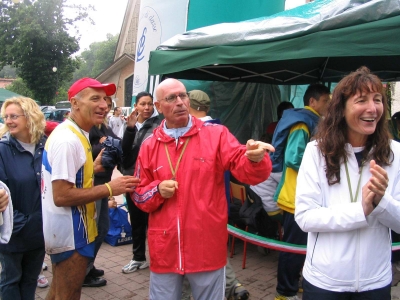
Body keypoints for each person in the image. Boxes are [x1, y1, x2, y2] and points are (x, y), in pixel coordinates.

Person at [132, 78, 274, 300]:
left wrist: (255, 159)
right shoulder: (150, 145)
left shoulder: (216, 135)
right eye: (171, 98)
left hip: (206, 245)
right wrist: (157, 190)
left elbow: (244, 167)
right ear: (159, 107)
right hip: (165, 247)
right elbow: (139, 195)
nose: (180, 102)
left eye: (183, 95)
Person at [295, 66, 400, 299]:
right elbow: (305, 216)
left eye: (377, 100)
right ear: (341, 109)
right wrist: (359, 210)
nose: (372, 108)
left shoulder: (395, 154)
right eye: (361, 100)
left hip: (376, 282)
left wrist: (382, 202)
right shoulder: (317, 152)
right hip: (325, 281)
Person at [41, 77, 140, 299]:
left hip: (68, 231)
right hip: (71, 234)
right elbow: (62, 195)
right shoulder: (68, 139)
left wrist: (90, 170)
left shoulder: (77, 132)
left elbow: (66, 179)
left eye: (105, 99)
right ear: (74, 103)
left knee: (58, 292)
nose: (104, 105)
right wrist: (109, 188)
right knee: (69, 294)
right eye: (94, 98)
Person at [187, 89, 249, 300]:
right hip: (218, 201)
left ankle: (226, 286)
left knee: (199, 253)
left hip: (197, 202)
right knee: (213, 247)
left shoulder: (200, 133)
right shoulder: (222, 130)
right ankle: (232, 285)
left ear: (189, 106)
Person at [273, 83, 331, 300]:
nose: (328, 105)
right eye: (325, 101)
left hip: (305, 196)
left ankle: (292, 284)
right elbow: (292, 158)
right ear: (312, 101)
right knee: (293, 248)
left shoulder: (314, 122)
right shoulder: (302, 124)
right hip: (295, 197)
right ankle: (285, 292)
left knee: (301, 246)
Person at [0, 97, 47, 299]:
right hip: (14, 233)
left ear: (30, 117)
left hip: (40, 233)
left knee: (30, 280)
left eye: (13, 116)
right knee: (11, 281)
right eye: (6, 117)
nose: (9, 121)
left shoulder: (46, 146)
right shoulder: (2, 149)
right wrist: (22, 223)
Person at [120, 91, 160, 274]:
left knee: (155, 223)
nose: (146, 107)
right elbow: (125, 153)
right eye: (143, 104)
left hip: (151, 182)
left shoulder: (159, 125)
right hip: (132, 180)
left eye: (150, 104)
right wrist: (129, 128)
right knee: (136, 222)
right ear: (135, 105)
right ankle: (139, 258)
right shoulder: (132, 126)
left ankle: (159, 259)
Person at [83, 95, 119, 287]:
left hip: (103, 184)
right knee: (94, 229)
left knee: (102, 228)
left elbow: (117, 142)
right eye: (100, 104)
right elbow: (89, 150)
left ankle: (89, 265)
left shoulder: (103, 126)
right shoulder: (86, 128)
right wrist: (104, 143)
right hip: (94, 184)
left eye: (108, 105)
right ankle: (84, 271)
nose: (104, 108)